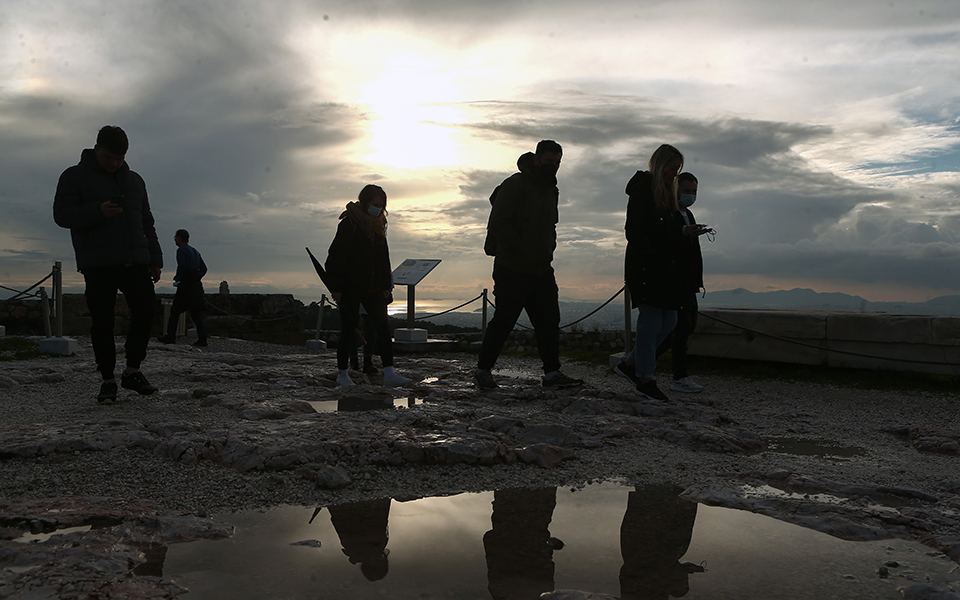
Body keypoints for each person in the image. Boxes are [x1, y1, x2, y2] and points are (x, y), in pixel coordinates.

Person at [53, 125, 162, 404]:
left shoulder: (135, 181)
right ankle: (108, 381)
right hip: (98, 262)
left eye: (120, 158)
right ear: (96, 148)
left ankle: (133, 371)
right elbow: (62, 215)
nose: (115, 164)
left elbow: (146, 221)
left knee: (147, 310)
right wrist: (97, 211)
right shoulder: (73, 176)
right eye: (109, 157)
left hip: (136, 260)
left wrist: (155, 258)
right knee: (103, 321)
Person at [474, 140, 583, 390]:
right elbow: (499, 222)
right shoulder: (515, 185)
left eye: (557, 163)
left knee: (548, 322)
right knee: (504, 320)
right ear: (536, 159)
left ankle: (552, 373)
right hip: (512, 266)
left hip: (542, 267)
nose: (553, 167)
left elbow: (550, 226)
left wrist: (547, 251)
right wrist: (519, 249)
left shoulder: (551, 190)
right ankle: (483, 370)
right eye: (548, 162)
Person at [616, 144, 686, 401]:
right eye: (671, 169)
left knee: (669, 321)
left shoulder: (667, 193)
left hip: (663, 266)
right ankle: (645, 380)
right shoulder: (643, 189)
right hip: (646, 266)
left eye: (677, 171)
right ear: (660, 166)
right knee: (651, 323)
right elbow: (634, 231)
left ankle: (632, 363)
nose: (674, 175)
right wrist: (656, 255)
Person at [325, 184, 410, 387]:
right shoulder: (349, 224)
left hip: (373, 287)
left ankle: (389, 373)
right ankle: (343, 374)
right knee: (348, 328)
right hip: (350, 285)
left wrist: (385, 285)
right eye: (375, 204)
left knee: (382, 328)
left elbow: (383, 258)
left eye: (381, 205)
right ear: (365, 203)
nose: (378, 209)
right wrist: (336, 288)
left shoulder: (379, 225)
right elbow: (336, 257)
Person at [656, 173, 707, 393]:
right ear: (676, 190)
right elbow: (665, 238)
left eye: (694, 191)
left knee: (680, 327)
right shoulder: (669, 214)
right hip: (677, 280)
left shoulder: (689, 214)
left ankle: (638, 362)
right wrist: (683, 232)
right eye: (687, 191)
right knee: (680, 328)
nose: (691, 195)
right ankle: (679, 376)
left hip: (688, 280)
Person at [157, 229, 208, 347]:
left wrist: (178, 278)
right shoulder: (195, 251)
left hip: (186, 286)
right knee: (196, 313)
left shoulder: (181, 250)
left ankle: (170, 337)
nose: (175, 239)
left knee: (175, 311)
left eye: (175, 237)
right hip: (196, 285)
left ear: (180, 238)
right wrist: (196, 277)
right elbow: (204, 269)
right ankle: (203, 339)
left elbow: (182, 266)